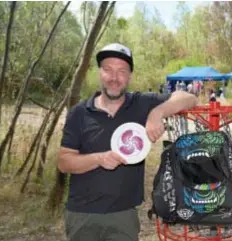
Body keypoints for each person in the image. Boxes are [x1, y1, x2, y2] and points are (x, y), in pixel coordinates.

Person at [57, 43, 198, 241]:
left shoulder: (141, 103)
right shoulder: (79, 113)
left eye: (122, 71)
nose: (114, 78)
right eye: (108, 69)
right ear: (99, 73)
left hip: (123, 215)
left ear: (129, 76)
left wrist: (157, 113)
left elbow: (189, 98)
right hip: (82, 214)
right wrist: (99, 159)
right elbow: (64, 162)